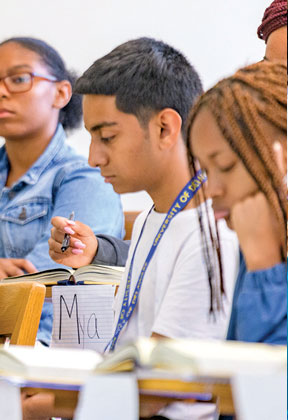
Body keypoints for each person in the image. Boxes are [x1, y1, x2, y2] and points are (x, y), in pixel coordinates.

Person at [47, 38, 241, 419]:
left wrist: (48, 404)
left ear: (165, 128)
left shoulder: (212, 235)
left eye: (107, 137)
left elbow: (159, 387)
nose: (94, 157)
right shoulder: (153, 218)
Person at [0, 37, 123, 344]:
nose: (0, 92)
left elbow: (42, 282)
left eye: (19, 79)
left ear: (61, 93)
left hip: (36, 345)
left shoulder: (85, 179)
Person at [187, 60, 287, 344]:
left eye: (226, 166)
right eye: (206, 171)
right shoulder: (258, 230)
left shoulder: (261, 244)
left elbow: (269, 366)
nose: (211, 190)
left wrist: (264, 264)